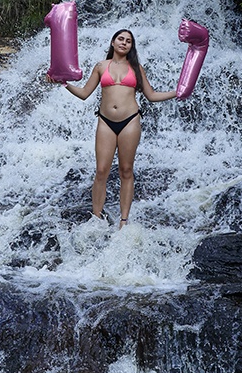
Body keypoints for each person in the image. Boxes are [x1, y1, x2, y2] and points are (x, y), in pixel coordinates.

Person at [49, 28, 177, 228]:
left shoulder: (136, 68)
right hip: (106, 122)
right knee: (101, 170)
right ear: (113, 42)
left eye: (128, 41)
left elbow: (151, 96)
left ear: (131, 46)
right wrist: (62, 83)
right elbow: (84, 93)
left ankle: (123, 221)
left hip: (130, 121)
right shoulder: (101, 66)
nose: (124, 43)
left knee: (126, 170)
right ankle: (96, 218)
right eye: (121, 39)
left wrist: (177, 92)